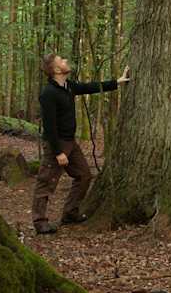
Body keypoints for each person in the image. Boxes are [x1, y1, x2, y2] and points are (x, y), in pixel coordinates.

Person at [32, 53, 130, 234]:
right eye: (62, 61)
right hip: (57, 145)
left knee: (84, 176)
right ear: (55, 69)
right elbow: (49, 126)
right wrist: (58, 152)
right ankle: (40, 222)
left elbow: (88, 87)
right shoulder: (48, 94)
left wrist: (117, 82)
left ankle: (70, 213)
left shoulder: (69, 86)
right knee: (46, 182)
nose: (66, 61)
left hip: (71, 142)